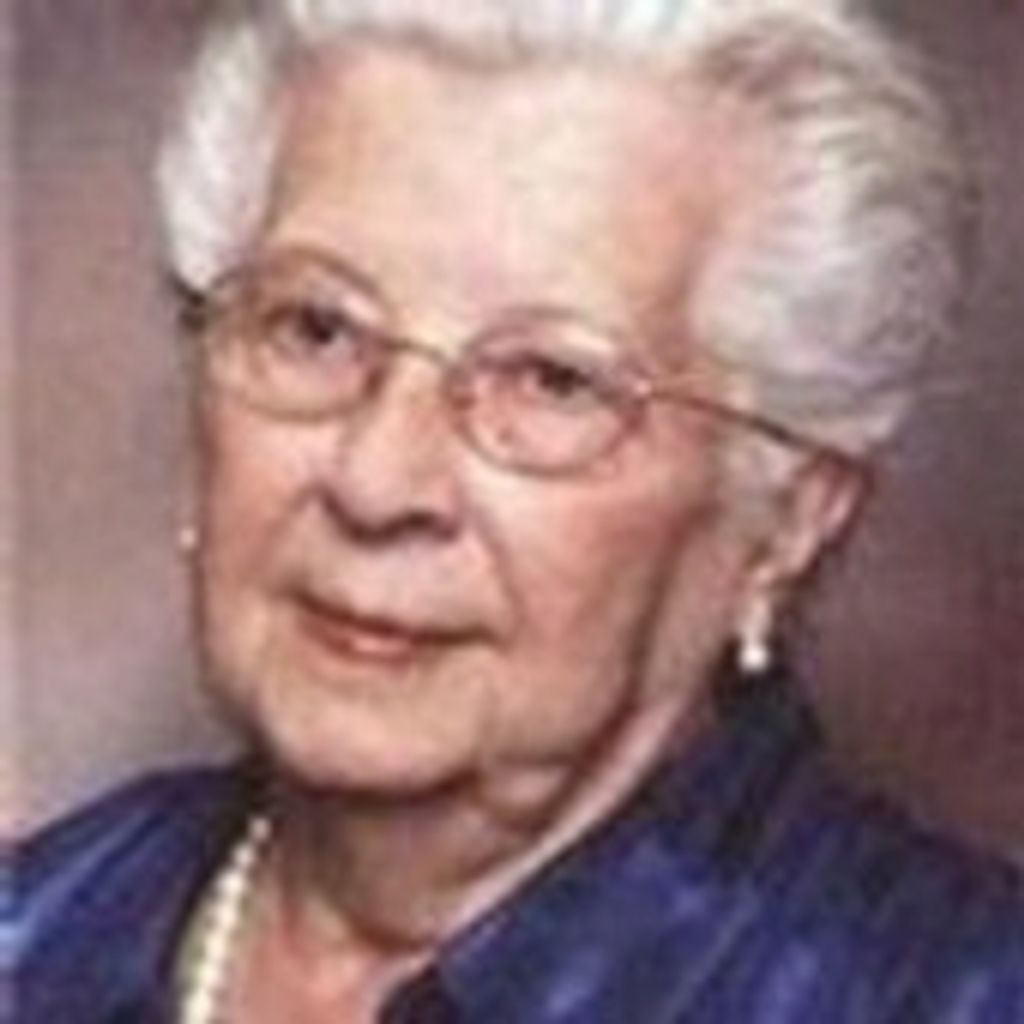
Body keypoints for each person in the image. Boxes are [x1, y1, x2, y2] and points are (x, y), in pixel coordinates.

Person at [15, 0, 1024, 1021]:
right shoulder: (40, 932)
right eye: (314, 328)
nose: (376, 482)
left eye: (552, 381)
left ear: (788, 519)